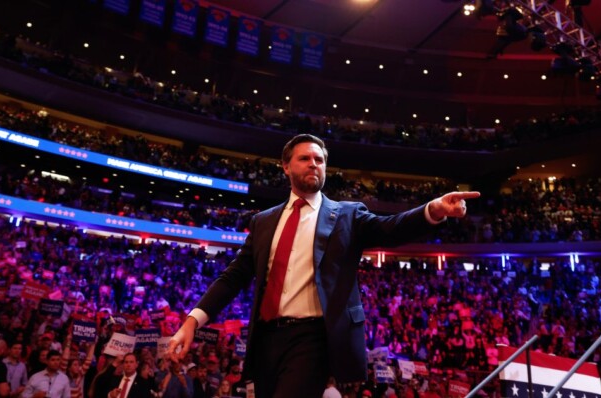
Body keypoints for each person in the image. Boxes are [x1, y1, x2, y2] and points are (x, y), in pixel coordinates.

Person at [167, 134, 480, 397]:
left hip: (313, 337)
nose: (313, 164)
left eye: (319, 160)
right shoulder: (263, 222)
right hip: (265, 338)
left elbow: (391, 228)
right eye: (305, 158)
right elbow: (233, 276)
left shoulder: (347, 215)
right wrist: (192, 321)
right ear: (286, 166)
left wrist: (433, 210)